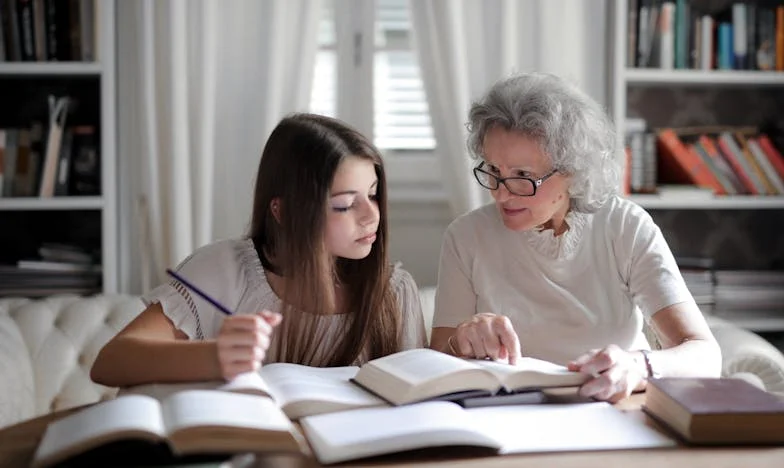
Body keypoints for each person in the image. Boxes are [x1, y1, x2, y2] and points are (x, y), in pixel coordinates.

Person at [430, 72, 721, 402]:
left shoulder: (624, 227)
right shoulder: (466, 236)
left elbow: (705, 354)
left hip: (615, 409)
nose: (500, 194)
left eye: (523, 176)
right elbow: (436, 359)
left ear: (572, 171)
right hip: (509, 414)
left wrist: (638, 366)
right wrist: (462, 341)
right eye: (494, 171)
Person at [91, 113, 427, 387]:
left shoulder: (394, 293)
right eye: (344, 204)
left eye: (372, 194)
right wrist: (214, 356)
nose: (371, 215)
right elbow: (111, 362)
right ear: (283, 212)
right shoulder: (225, 271)